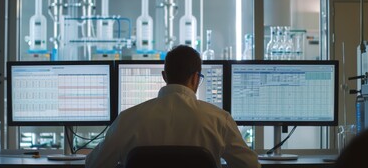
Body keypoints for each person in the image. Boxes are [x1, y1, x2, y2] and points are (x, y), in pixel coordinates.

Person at [85, 45, 260, 168]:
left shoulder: (127, 119)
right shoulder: (220, 120)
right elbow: (250, 165)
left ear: (164, 76)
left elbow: (94, 164)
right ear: (195, 78)